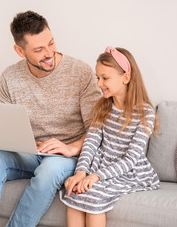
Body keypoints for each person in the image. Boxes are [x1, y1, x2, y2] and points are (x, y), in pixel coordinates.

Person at [0, 11, 101, 227]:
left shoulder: (80, 72)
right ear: (20, 51)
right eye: (39, 49)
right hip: (29, 152)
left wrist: (71, 148)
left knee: (49, 170)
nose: (49, 53)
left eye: (51, 43)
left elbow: (98, 128)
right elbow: (5, 127)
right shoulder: (9, 77)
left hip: (65, 156)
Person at [59, 46, 160, 227]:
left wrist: (95, 177)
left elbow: (130, 160)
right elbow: (90, 143)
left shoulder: (145, 113)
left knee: (94, 196)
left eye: (105, 78)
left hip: (129, 171)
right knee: (74, 190)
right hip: (102, 164)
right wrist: (81, 172)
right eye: (98, 78)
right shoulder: (103, 107)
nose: (99, 83)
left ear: (126, 78)